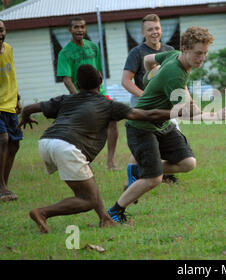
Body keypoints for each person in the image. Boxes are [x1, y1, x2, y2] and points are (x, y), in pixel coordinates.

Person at [19, 64, 174, 233]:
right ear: (100, 80)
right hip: (67, 147)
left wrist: (25, 116)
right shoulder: (109, 105)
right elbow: (146, 115)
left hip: (46, 142)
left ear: (77, 85)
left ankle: (105, 219)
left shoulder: (67, 99)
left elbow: (29, 109)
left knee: (89, 179)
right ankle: (42, 213)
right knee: (87, 200)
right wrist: (177, 112)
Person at [107, 26, 226, 223]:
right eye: (198, 53)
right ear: (184, 49)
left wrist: (150, 79)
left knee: (187, 163)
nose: (202, 58)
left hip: (161, 124)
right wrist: (216, 115)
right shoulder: (175, 74)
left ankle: (139, 169)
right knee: (154, 178)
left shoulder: (173, 55)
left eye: (205, 53)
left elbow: (148, 60)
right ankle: (114, 212)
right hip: (141, 127)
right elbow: (185, 113)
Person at [57, 16, 120, 170]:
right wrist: (78, 96)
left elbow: (98, 71)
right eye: (76, 27)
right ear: (69, 30)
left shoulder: (93, 47)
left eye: (82, 27)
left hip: (100, 92)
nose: (79, 30)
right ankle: (83, 162)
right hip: (81, 95)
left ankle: (111, 162)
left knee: (113, 121)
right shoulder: (64, 53)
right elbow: (66, 79)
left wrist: (99, 90)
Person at [121, 13, 177, 186]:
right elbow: (125, 80)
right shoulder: (137, 53)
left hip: (165, 104)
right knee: (143, 141)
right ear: (143, 32)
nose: (154, 32)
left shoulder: (169, 51)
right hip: (142, 104)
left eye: (157, 28)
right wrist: (144, 96)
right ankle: (130, 178)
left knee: (168, 137)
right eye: (150, 29)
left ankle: (163, 173)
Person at [0, 19, 23, 202]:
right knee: (3, 139)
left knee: (15, 143)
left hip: (9, 104)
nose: (0, 34)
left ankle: (4, 185)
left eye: (1, 30)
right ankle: (1, 187)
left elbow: (11, 75)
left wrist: (17, 98)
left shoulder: (8, 48)